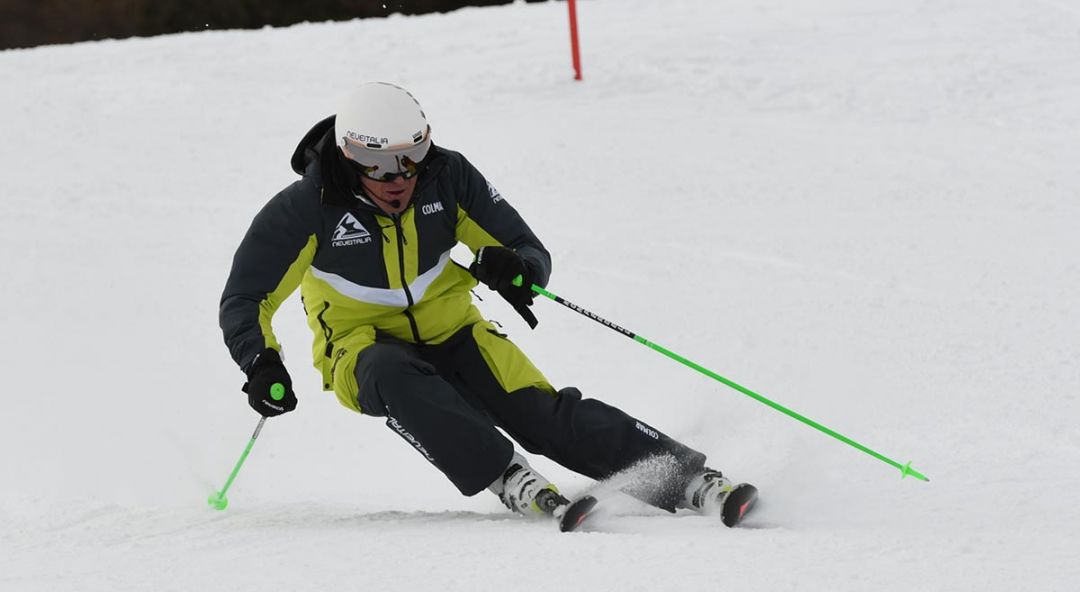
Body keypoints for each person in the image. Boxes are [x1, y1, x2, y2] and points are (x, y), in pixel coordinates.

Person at [219, 82, 744, 519]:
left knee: (543, 414)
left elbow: (525, 247)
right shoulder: (304, 209)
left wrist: (517, 270)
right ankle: (505, 475)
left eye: (413, 156)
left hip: (457, 329)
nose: (399, 177)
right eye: (380, 165)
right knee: (392, 371)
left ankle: (690, 480)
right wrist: (261, 361)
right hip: (359, 349)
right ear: (350, 156)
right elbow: (246, 297)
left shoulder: (447, 179)